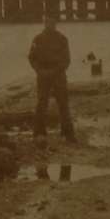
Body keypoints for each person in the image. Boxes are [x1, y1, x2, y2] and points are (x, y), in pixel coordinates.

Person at [28, 10, 76, 143]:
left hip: (58, 74)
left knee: (63, 104)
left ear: (55, 23)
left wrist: (55, 71)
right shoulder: (37, 39)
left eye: (52, 22)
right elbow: (32, 58)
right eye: (47, 22)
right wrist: (39, 71)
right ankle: (39, 132)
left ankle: (67, 133)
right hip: (43, 75)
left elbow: (66, 60)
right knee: (41, 103)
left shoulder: (62, 39)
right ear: (44, 23)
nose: (50, 25)